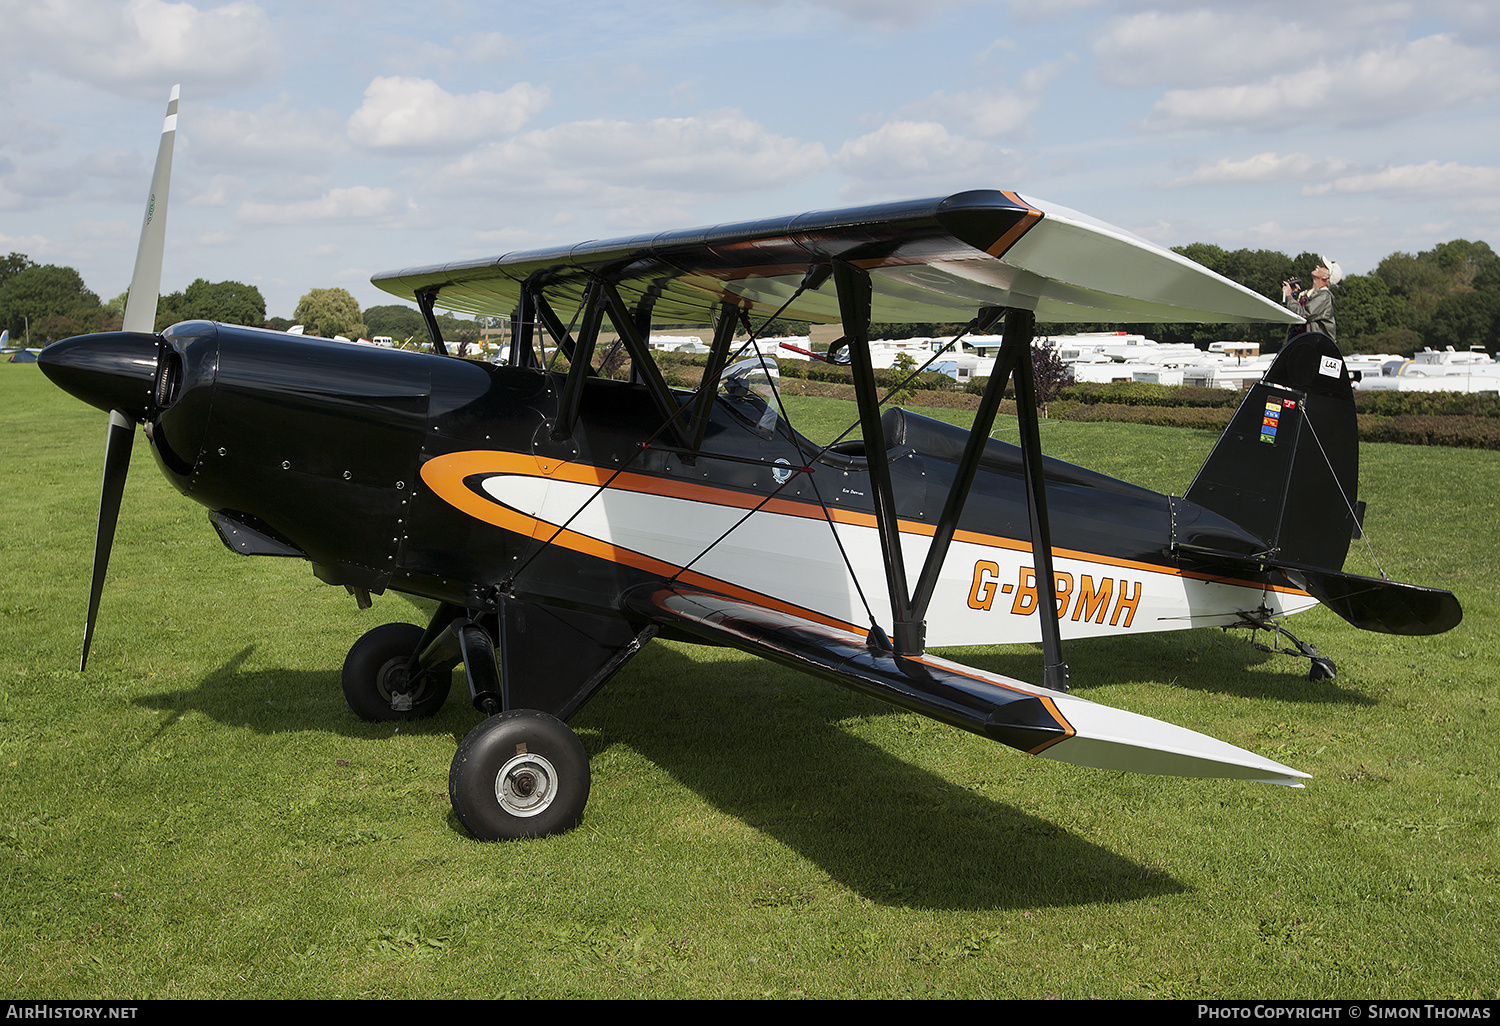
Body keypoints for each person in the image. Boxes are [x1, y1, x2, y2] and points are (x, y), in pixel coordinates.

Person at [1282, 256, 1342, 342]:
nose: (1317, 266)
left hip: (1314, 347)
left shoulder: (1325, 297)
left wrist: (1288, 296)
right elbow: (1289, 314)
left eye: (1322, 266)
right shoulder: (1307, 294)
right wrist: (1292, 294)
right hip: (1299, 343)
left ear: (1326, 276)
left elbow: (1303, 314)